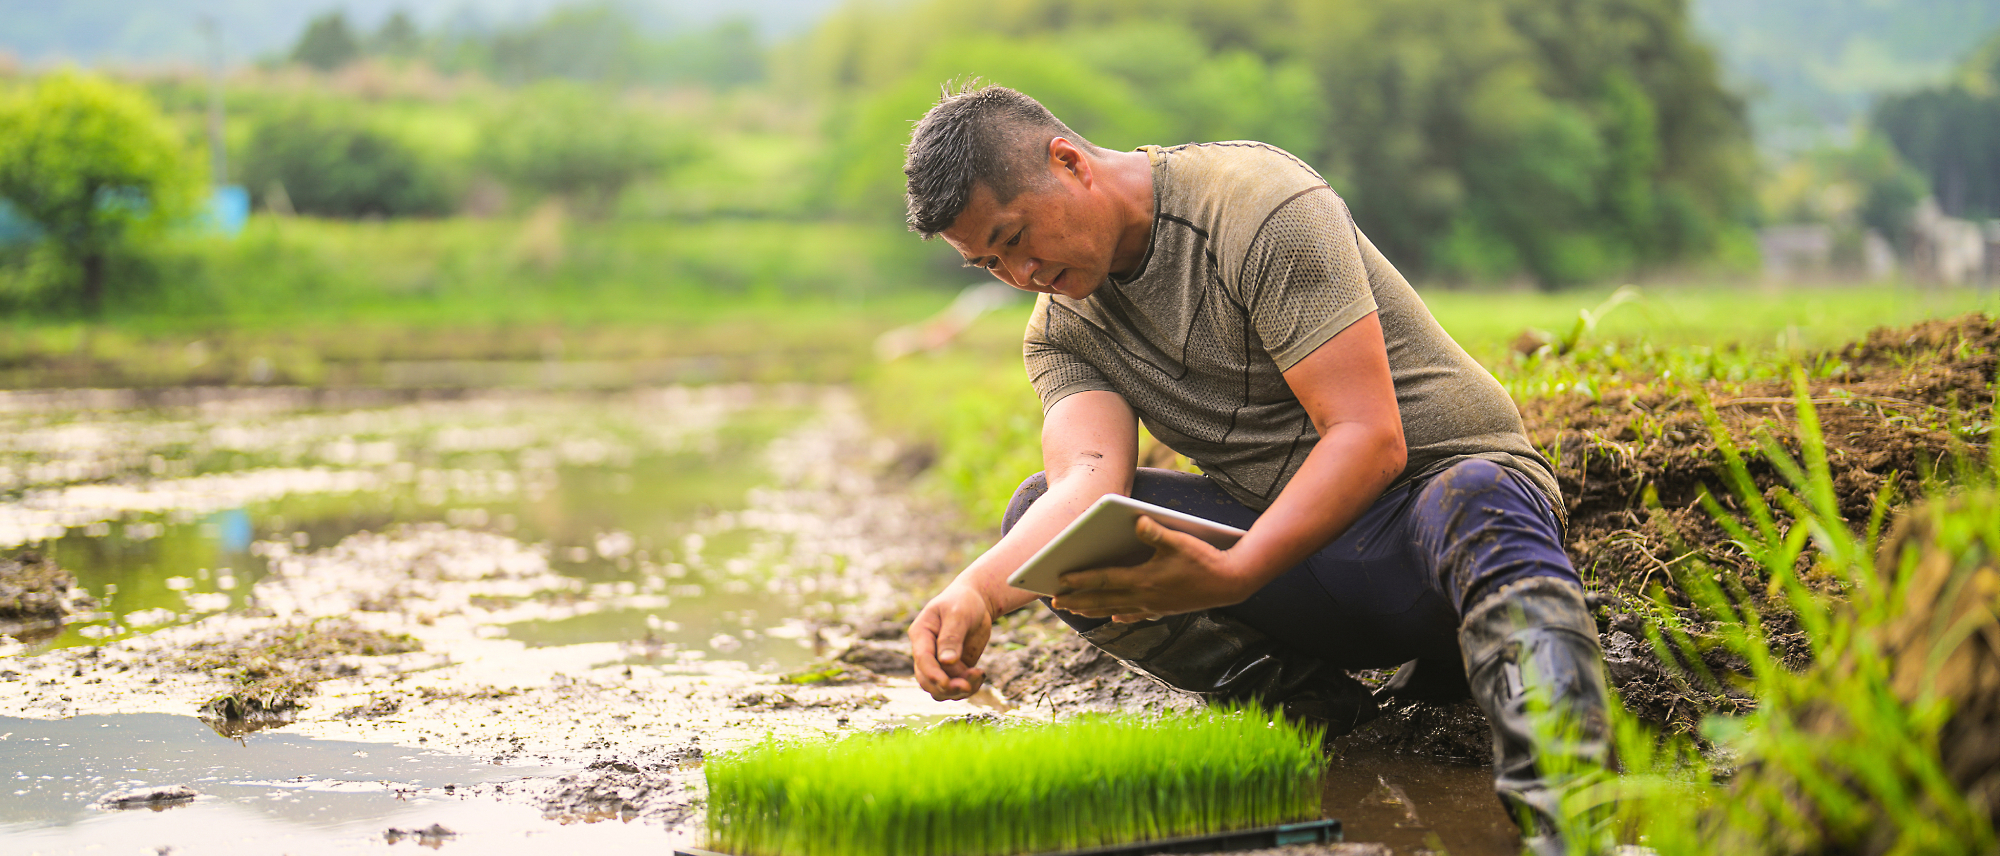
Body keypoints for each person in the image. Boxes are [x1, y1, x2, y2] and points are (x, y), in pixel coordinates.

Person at [900, 83, 1613, 856]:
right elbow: (1085, 480)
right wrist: (975, 589)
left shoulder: (1255, 207)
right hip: (1304, 566)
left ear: (1068, 162)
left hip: (1436, 532)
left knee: (1476, 493)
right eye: (988, 263)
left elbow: (1369, 438)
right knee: (1045, 527)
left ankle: (1572, 818)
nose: (1020, 272)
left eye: (1015, 236)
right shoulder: (1061, 332)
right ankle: (1333, 725)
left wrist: (1242, 567)